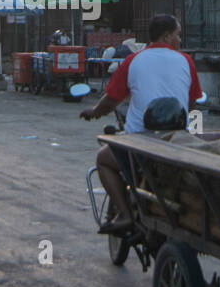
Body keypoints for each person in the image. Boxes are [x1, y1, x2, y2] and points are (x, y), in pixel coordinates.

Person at [79, 14, 202, 235]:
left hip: (140, 144)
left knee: (103, 160)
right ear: (166, 36)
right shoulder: (186, 61)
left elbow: (111, 100)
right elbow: (192, 102)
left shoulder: (133, 61)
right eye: (178, 35)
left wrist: (95, 112)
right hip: (176, 142)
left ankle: (126, 215)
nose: (180, 40)